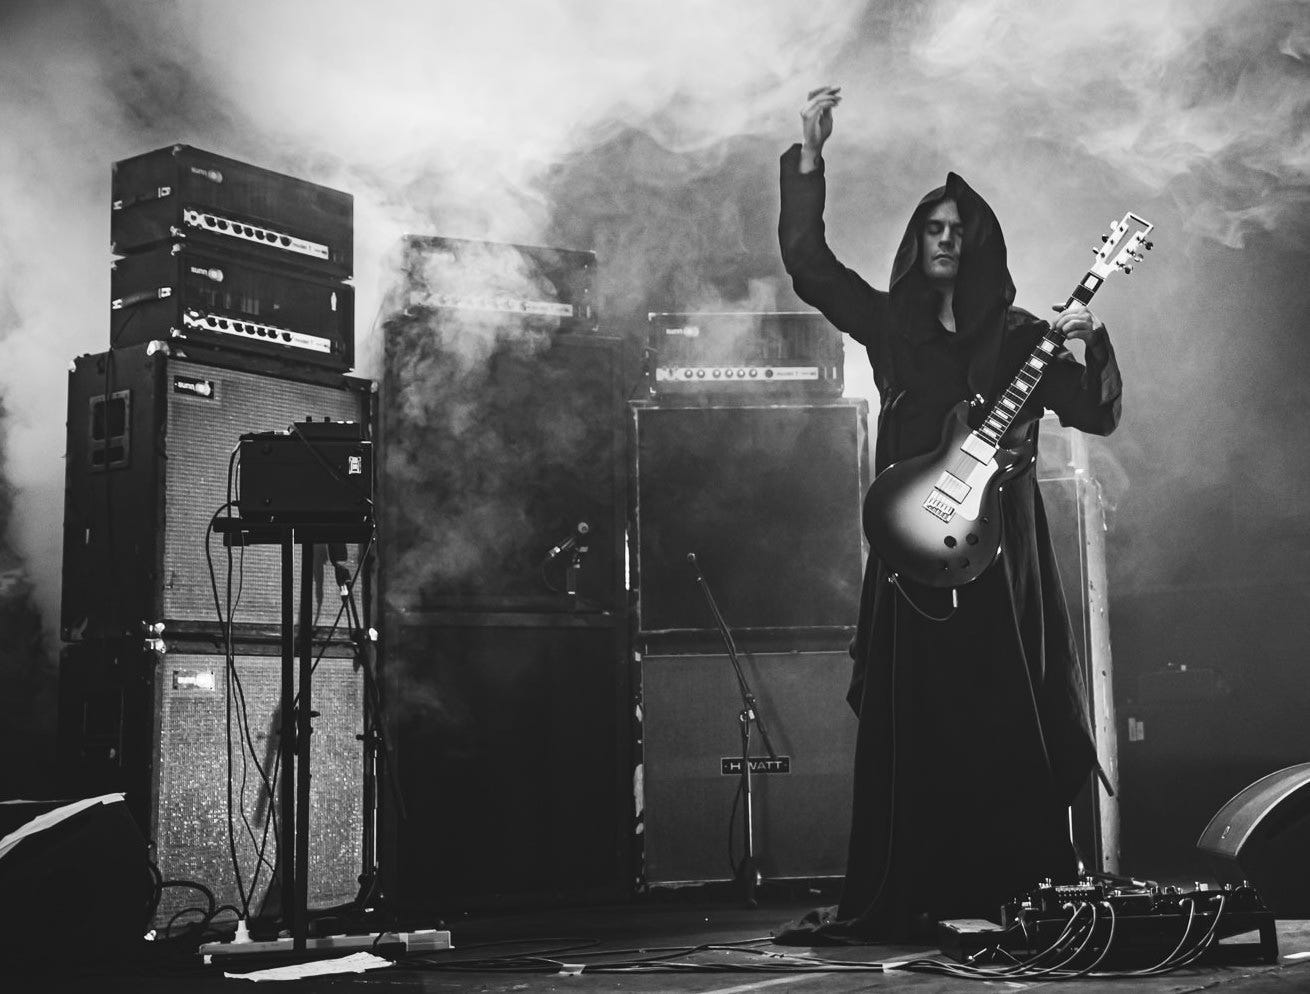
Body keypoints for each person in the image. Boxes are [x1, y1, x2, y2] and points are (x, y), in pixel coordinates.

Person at [775, 85, 1123, 942]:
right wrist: (810, 157)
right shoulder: (889, 326)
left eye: (957, 230)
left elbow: (1094, 413)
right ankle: (913, 888)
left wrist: (1091, 342)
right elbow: (810, 265)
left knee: (1006, 711)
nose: (943, 239)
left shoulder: (1021, 336)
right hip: (912, 548)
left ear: (979, 245)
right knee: (916, 719)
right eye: (932, 227)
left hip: (1003, 554)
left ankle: (1018, 887)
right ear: (915, 241)